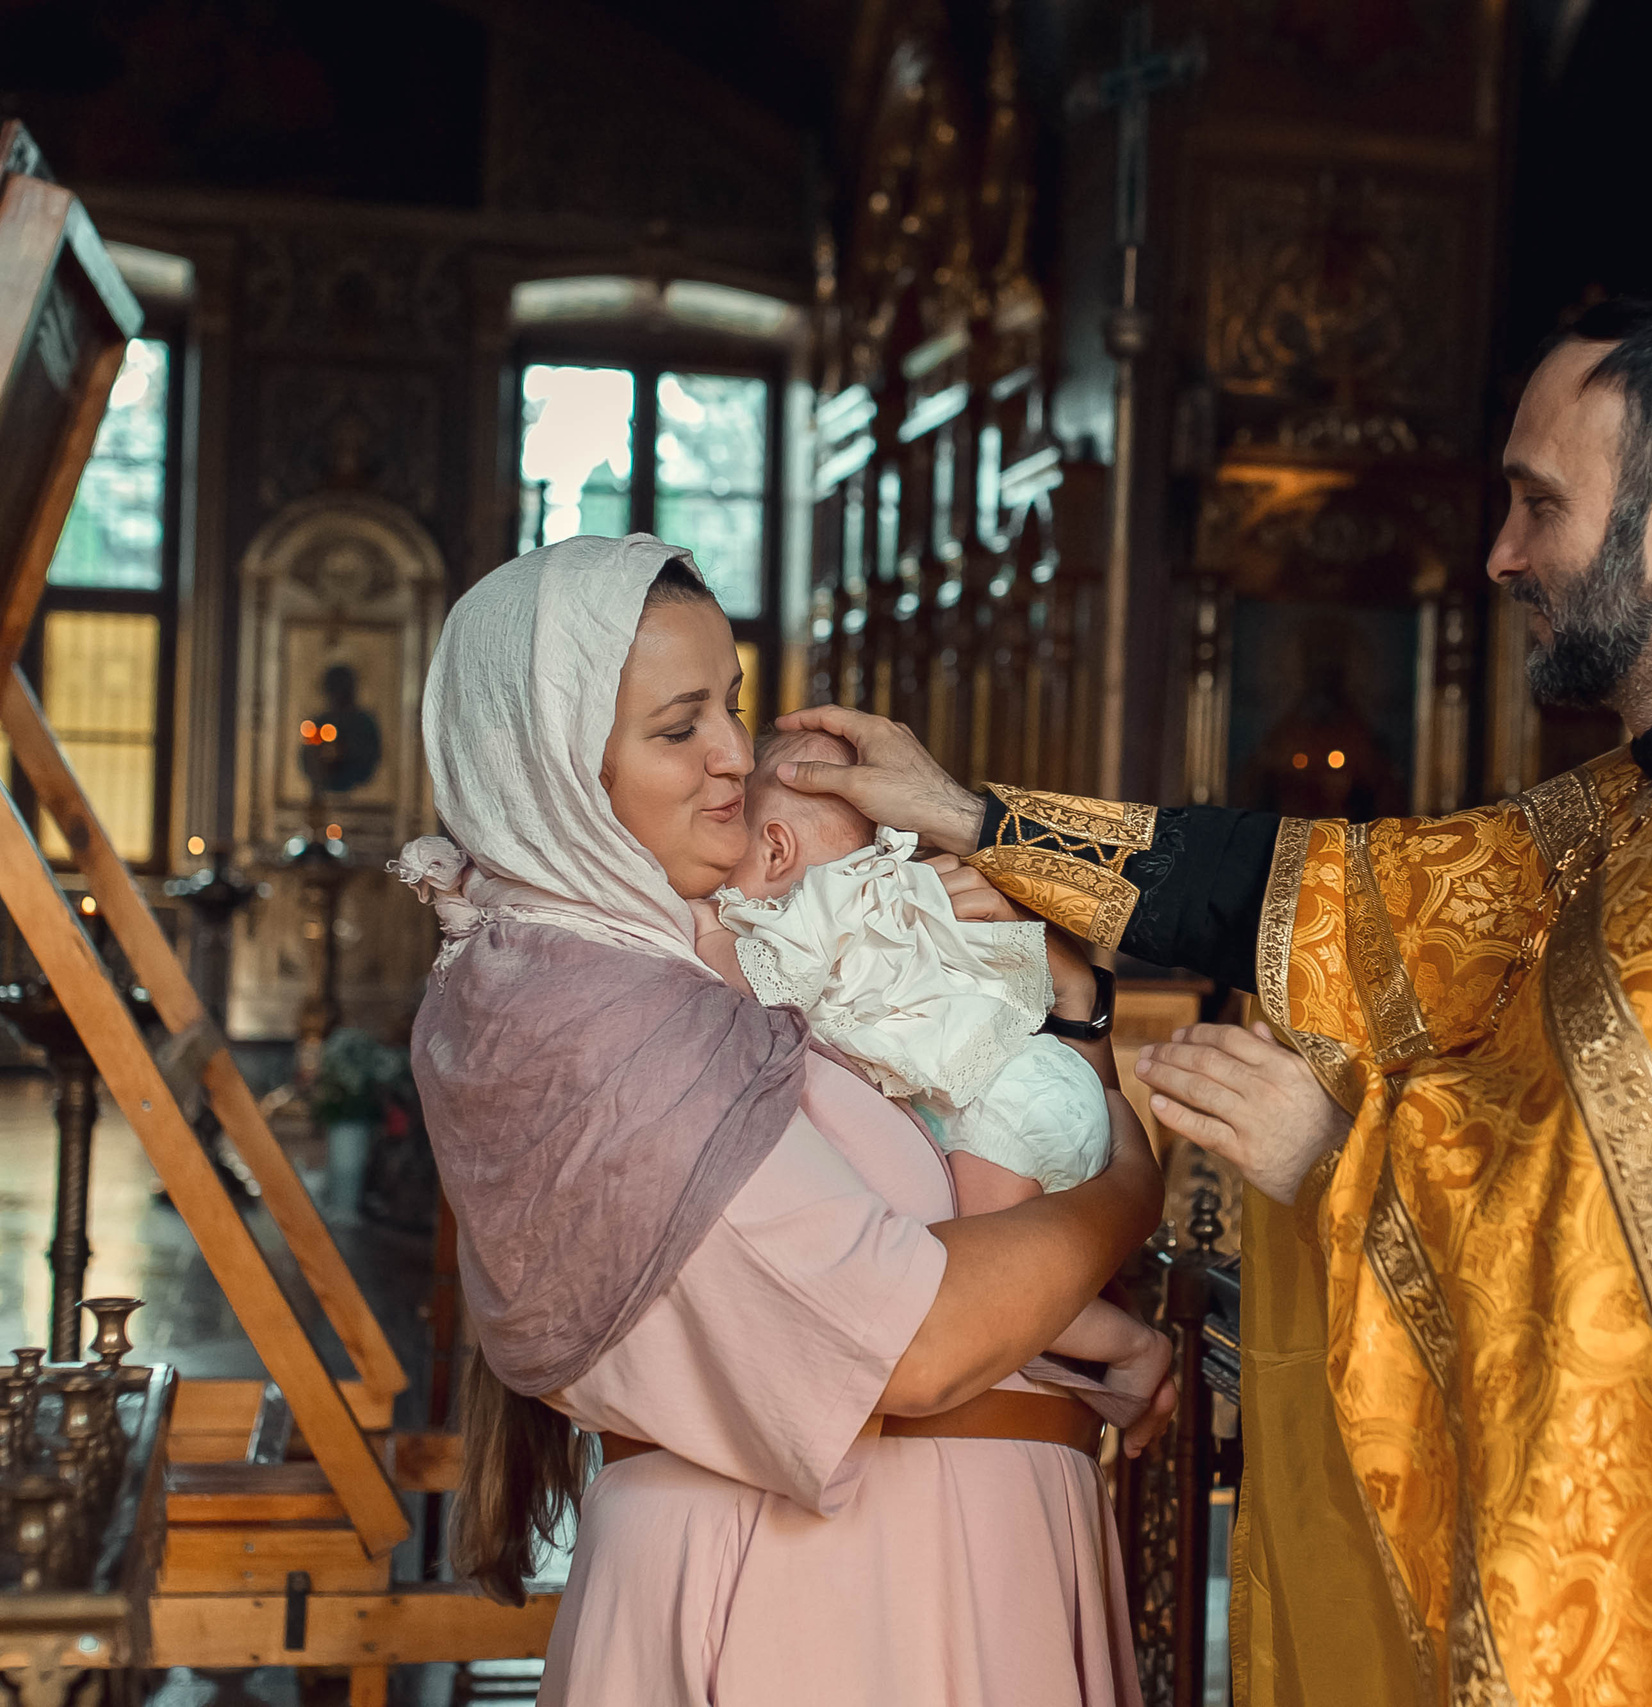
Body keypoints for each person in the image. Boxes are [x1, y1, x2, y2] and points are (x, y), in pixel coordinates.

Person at [779, 297, 1652, 1704]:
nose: (1500, 551)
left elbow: (1624, 1243)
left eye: (1540, 504)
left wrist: (1338, 1161)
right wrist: (977, 816)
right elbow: (1364, 893)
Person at [402, 534, 1168, 1707]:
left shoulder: (736, 953)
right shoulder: (590, 1013)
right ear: (550, 768)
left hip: (958, 1562)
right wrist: (1131, 1183)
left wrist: (1061, 1006)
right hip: (819, 1605)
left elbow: (964, 1169)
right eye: (677, 728)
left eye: (734, 707)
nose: (733, 760)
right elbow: (913, 1343)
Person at [689, 724, 1166, 1401]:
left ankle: (1134, 1345)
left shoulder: (814, 914)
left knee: (981, 1276)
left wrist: (707, 929)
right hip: (1036, 1081)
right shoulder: (886, 888)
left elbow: (762, 983)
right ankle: (1065, 1352)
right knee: (1006, 1273)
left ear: (774, 846)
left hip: (1011, 1102)